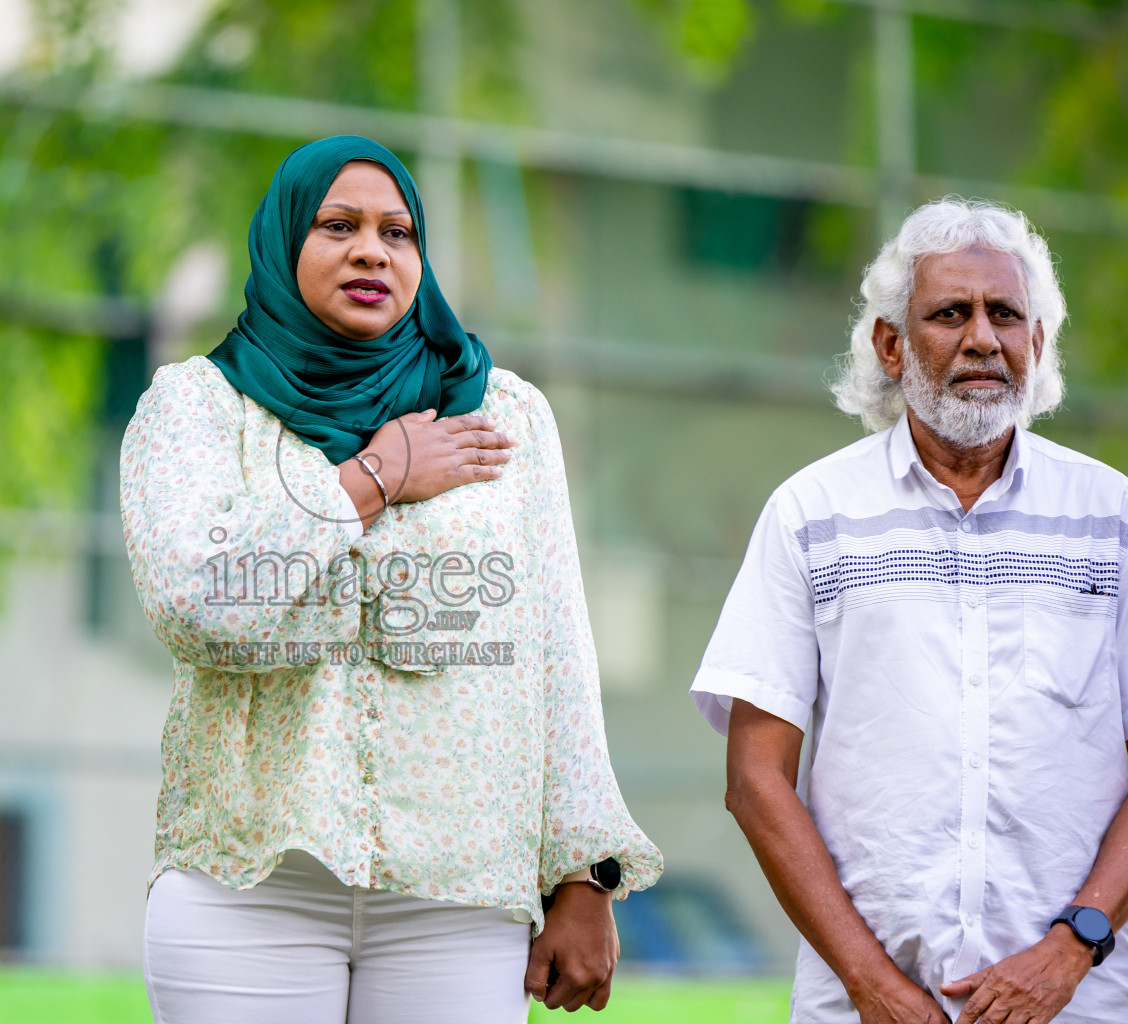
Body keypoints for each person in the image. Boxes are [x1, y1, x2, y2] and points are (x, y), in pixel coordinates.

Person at [120, 135, 661, 1023]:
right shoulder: (198, 408)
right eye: (338, 226)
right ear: (283, 241)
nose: (372, 249)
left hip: (458, 896)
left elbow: (557, 649)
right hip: (250, 884)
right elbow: (198, 607)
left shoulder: (505, 414)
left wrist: (585, 872)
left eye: (398, 231)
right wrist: (372, 477)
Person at [691, 197, 1128, 1024]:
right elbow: (755, 780)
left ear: (1036, 344)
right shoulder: (810, 513)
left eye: (1006, 314)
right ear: (891, 345)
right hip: (858, 1008)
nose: (982, 338)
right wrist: (872, 986)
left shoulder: (1112, 519)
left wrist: (1073, 948)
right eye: (950, 313)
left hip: (1079, 1002)